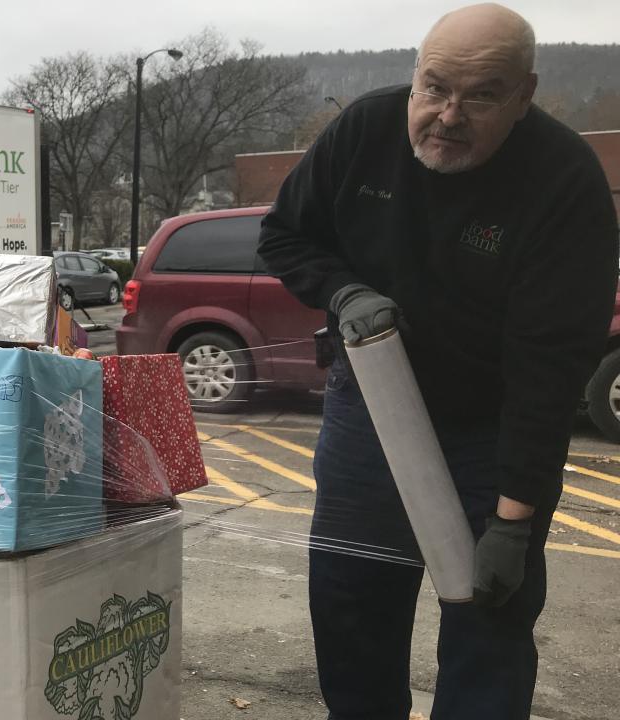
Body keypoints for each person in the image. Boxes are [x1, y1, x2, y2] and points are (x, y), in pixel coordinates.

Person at [258, 4, 619, 719]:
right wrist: (344, 292)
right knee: (351, 611)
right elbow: (285, 237)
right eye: (434, 88)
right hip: (372, 418)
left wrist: (515, 520)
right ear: (414, 79)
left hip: (492, 431)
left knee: (491, 622)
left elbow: (547, 374)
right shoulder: (364, 132)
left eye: (480, 94)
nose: (448, 115)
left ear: (525, 94)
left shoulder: (564, 185)